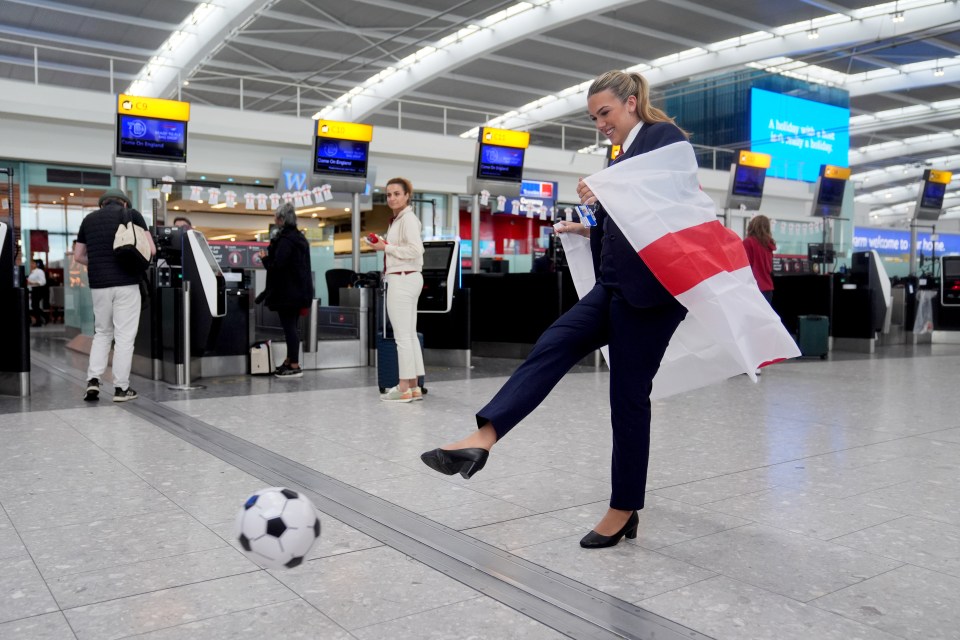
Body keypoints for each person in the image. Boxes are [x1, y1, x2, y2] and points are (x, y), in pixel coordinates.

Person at [420, 69, 691, 548]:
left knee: (627, 400)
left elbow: (670, 206)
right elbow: (627, 226)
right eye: (593, 117)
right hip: (613, 288)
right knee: (552, 344)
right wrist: (589, 230)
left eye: (605, 113)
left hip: (650, 297)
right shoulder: (618, 154)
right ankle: (483, 438)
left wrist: (609, 192)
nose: (600, 124)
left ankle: (623, 508)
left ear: (631, 103)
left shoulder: (662, 137)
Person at [74, 188, 156, 402]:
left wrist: (101, 264)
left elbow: (79, 255)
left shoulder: (88, 220)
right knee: (124, 338)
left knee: (102, 333)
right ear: (125, 204)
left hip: (99, 285)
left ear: (102, 204)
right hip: (127, 283)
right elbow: (152, 249)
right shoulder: (133, 215)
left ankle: (93, 380)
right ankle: (121, 389)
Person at [366, 177, 425, 403]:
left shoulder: (407, 219)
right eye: (389, 194)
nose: (392, 198)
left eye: (396, 194)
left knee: (402, 336)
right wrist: (385, 244)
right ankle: (414, 386)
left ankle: (403, 388)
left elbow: (415, 250)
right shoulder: (401, 219)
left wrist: (386, 246)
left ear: (407, 195)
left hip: (402, 279)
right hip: (408, 278)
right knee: (409, 335)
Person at [260, 202, 313, 378]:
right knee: (292, 327)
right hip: (299, 291)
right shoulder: (300, 238)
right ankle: (289, 361)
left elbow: (277, 266)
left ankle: (294, 364)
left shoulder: (285, 241)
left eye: (276, 216)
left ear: (281, 219)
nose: (274, 219)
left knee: (289, 328)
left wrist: (265, 259)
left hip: (288, 293)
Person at [743, 214, 776, 305]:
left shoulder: (748, 242)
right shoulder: (769, 244)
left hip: (754, 288)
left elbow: (745, 267)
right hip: (768, 288)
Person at [26, 258, 48, 327]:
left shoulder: (39, 271)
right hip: (33, 290)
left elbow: (43, 282)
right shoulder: (33, 272)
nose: (31, 265)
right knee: (34, 306)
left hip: (38, 290)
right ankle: (39, 320)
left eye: (33, 263)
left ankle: (42, 318)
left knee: (35, 306)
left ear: (37, 264)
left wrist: (32, 283)